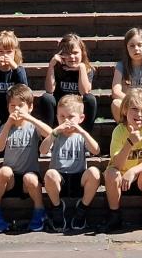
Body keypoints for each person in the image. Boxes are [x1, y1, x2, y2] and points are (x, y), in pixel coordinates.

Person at [0, 85, 52, 233]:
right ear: (7, 107)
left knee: (30, 178)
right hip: (11, 180)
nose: (16, 109)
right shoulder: (6, 126)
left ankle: (39, 211)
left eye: (21, 105)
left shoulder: (32, 126)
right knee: (4, 171)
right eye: (12, 106)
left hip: (29, 178)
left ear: (30, 107)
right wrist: (8, 124)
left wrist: (30, 118)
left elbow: (50, 133)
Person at [102, 87, 142, 234]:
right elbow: (116, 164)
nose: (139, 114)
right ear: (125, 111)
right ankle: (114, 216)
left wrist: (133, 171)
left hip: (138, 179)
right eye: (134, 109)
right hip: (120, 179)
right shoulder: (119, 131)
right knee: (110, 173)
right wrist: (129, 143)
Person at [40, 93, 101, 233]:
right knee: (49, 174)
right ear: (56, 117)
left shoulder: (81, 135)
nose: (66, 120)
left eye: (70, 117)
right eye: (62, 117)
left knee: (94, 173)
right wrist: (54, 132)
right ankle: (57, 208)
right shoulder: (56, 134)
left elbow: (96, 150)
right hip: (59, 179)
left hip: (78, 178)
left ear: (81, 118)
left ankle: (82, 209)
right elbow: (43, 150)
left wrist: (82, 131)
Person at [36, 32, 97, 130]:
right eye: (67, 53)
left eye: (75, 53)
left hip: (77, 113)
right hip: (60, 112)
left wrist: (81, 68)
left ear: (82, 53)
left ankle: (85, 138)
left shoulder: (87, 69)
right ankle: (48, 136)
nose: (72, 57)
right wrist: (51, 66)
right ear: (60, 54)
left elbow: (84, 92)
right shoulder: (57, 68)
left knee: (90, 99)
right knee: (46, 98)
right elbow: (49, 90)